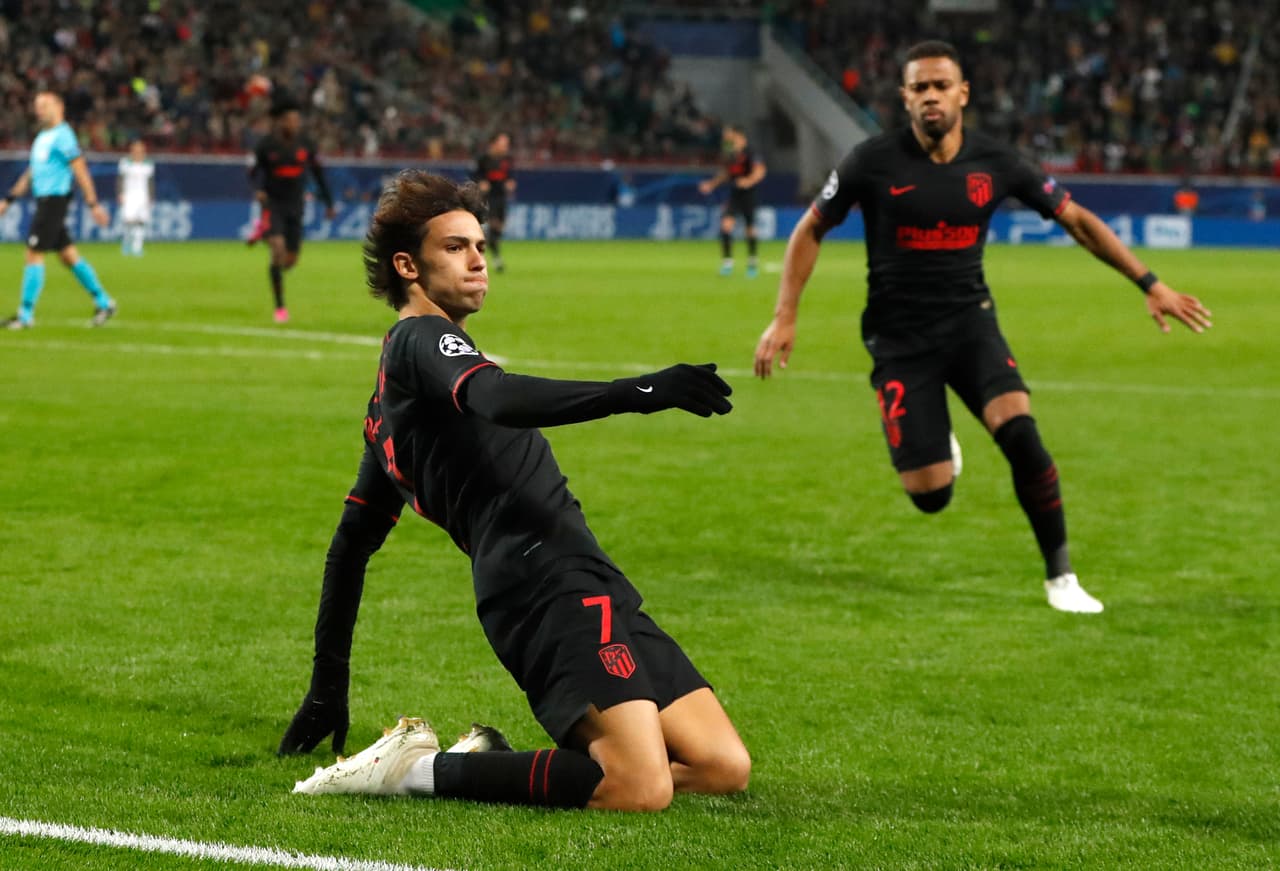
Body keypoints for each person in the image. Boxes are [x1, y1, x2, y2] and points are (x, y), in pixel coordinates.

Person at [280, 170, 750, 811]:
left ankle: (488, 764)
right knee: (639, 786)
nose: (478, 260)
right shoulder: (419, 340)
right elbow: (497, 397)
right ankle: (416, 770)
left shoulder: (387, 413)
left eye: (479, 243)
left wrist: (328, 685)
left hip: (584, 570)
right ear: (407, 266)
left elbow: (350, 547)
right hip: (540, 581)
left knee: (722, 765)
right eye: (454, 247)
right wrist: (634, 392)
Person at [753, 41, 1212, 614]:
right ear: (905, 98)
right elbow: (809, 230)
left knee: (1023, 437)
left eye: (940, 85)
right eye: (918, 87)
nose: (930, 97)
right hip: (899, 341)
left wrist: (1151, 284)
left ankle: (1061, 577)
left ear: (962, 93)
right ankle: (935, 439)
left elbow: (1078, 221)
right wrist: (786, 315)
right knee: (930, 496)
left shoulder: (998, 163)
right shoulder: (871, 162)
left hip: (972, 325)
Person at [0, 91, 114, 329]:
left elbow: (80, 169)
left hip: (54, 201)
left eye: (44, 105)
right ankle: (104, 302)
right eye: (37, 106)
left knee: (33, 253)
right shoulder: (43, 137)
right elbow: (31, 173)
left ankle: (25, 315)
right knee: (68, 255)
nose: (39, 110)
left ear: (59, 107)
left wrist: (92, 203)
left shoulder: (63, 136)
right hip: (45, 200)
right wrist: (8, 199)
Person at [249, 93, 335, 323]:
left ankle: (263, 234)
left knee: (289, 261)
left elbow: (318, 174)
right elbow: (253, 173)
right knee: (277, 250)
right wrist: (258, 189)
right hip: (273, 204)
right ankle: (280, 307)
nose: (295, 124)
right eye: (291, 120)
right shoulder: (266, 145)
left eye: (297, 120)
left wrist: (328, 202)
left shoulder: (306, 144)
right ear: (281, 122)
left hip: (295, 206)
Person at [698, 124, 767, 277]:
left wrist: (748, 181)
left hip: (749, 194)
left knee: (750, 228)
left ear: (737, 134)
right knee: (726, 226)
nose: (725, 136)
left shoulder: (751, 152)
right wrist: (711, 184)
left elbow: (760, 171)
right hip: (735, 194)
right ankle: (727, 263)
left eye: (727, 133)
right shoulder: (730, 154)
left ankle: (752, 263)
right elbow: (726, 174)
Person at [472, 132, 515, 273]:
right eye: (503, 144)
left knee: (499, 228)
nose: (505, 147)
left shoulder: (507, 159)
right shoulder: (483, 159)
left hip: (501, 196)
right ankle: (493, 259)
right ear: (494, 144)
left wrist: (510, 182)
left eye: (506, 144)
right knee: (492, 224)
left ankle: (493, 250)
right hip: (488, 198)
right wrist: (481, 182)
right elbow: (474, 175)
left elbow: (510, 175)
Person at [116, 139, 155, 257]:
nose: (138, 151)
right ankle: (127, 244)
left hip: (142, 196)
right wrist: (120, 193)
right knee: (128, 221)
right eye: (136, 149)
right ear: (132, 150)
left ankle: (137, 247)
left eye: (140, 149)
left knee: (141, 221)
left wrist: (151, 196)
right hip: (129, 195)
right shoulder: (125, 163)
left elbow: (150, 181)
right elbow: (120, 179)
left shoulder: (148, 164)